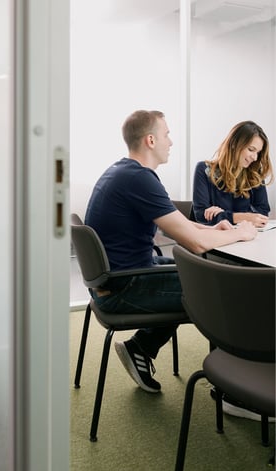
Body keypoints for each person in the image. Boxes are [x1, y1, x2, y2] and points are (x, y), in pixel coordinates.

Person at [84, 109, 257, 393]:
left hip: (115, 279)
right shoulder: (139, 179)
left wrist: (213, 230)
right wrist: (241, 233)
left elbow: (175, 226)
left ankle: (141, 347)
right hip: (123, 288)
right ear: (151, 140)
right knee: (221, 295)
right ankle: (235, 394)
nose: (171, 142)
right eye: (167, 134)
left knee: (191, 273)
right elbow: (195, 244)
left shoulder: (124, 171)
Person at [192, 121, 274, 228]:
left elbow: (262, 214)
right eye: (251, 150)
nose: (255, 158)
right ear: (235, 144)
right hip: (213, 237)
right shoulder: (203, 169)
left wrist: (223, 215)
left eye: (258, 152)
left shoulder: (255, 174)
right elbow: (201, 216)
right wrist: (245, 217)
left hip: (245, 237)